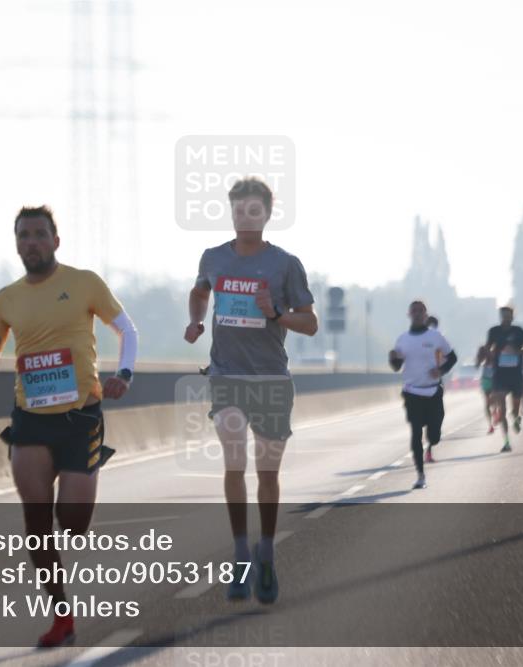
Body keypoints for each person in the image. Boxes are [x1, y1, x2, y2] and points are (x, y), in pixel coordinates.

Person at [0, 205, 138, 648]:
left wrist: (123, 376)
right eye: (23, 236)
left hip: (81, 418)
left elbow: (127, 331)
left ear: (55, 241)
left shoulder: (84, 283)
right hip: (30, 419)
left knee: (74, 524)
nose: (31, 242)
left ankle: (82, 481)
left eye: (39, 234)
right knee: (37, 520)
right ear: (16, 244)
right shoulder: (6, 298)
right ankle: (61, 615)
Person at [185, 177, 318, 604]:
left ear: (267, 214)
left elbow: (310, 323)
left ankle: (266, 552)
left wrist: (276, 313)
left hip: (271, 379)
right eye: (239, 210)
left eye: (253, 210)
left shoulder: (285, 264)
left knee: (267, 475)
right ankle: (241, 553)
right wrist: (196, 320)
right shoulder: (213, 257)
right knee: (233, 460)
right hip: (226, 376)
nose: (245, 217)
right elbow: (199, 291)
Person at [389, 300, 458, 489]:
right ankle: (420, 475)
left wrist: (441, 370)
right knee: (415, 432)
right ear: (409, 314)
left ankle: (433, 439)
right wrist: (392, 359)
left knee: (434, 436)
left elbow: (452, 357)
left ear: (426, 314)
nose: (418, 314)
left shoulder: (436, 336)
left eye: (421, 311)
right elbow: (396, 367)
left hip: (433, 391)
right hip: (412, 392)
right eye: (415, 311)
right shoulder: (403, 339)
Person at [484, 305, 523, 452]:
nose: (506, 318)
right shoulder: (494, 331)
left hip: (515, 374)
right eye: (504, 315)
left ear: (512, 316)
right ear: (501, 316)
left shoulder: (519, 331)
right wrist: (493, 353)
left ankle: (517, 419)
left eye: (508, 316)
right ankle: (506, 442)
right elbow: (487, 348)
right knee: (502, 409)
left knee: (514, 410)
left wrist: (517, 351)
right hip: (500, 374)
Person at [477, 345, 497, 434]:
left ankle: (495, 412)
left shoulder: (496, 359)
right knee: (487, 404)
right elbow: (477, 364)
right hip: (485, 380)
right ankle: (490, 425)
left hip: (494, 381)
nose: (490, 353)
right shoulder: (483, 360)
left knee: (493, 401)